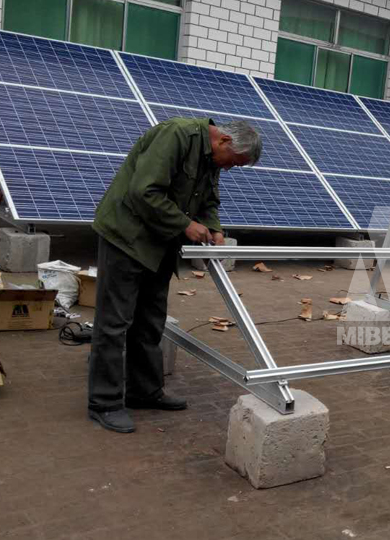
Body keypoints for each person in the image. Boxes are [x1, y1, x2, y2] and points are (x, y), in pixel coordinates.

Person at [88, 118, 262, 433]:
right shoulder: (176, 136)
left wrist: (214, 228)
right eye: (233, 162)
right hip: (126, 237)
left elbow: (208, 200)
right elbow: (144, 191)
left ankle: (144, 391)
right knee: (114, 323)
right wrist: (185, 225)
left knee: (150, 321)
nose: (229, 168)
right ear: (224, 140)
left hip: (159, 244)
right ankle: (105, 403)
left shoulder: (213, 158)